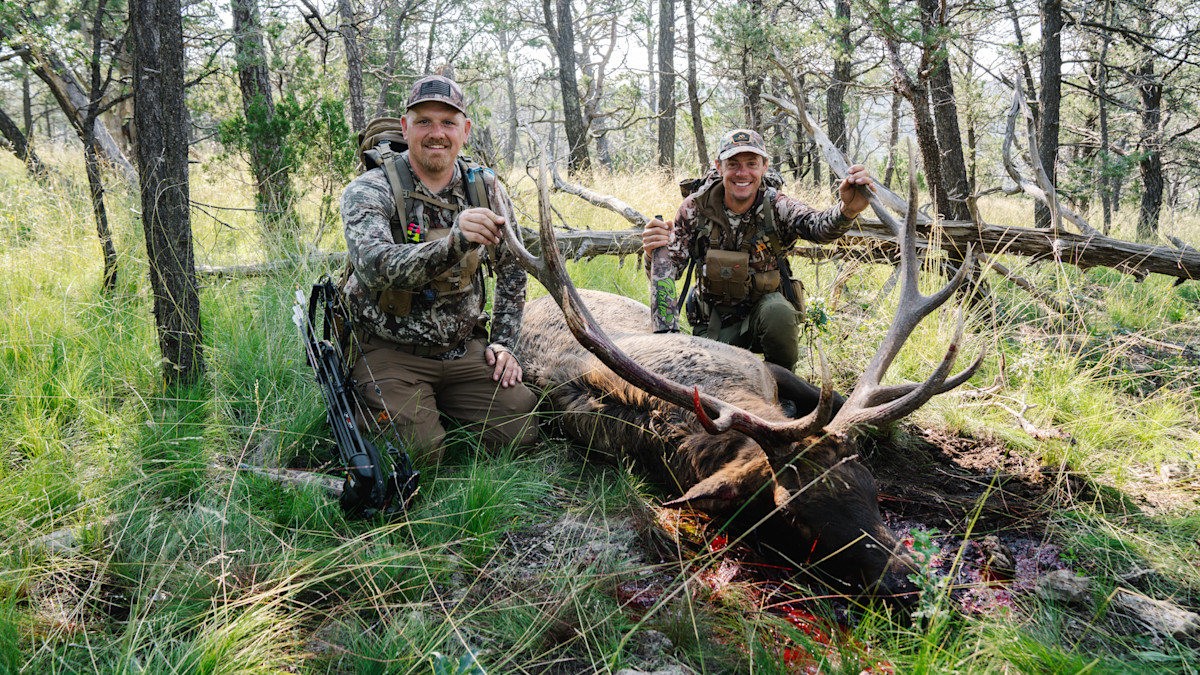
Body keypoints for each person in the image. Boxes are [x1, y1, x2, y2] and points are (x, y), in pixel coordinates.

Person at [340, 74, 537, 468]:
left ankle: (433, 407)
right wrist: (454, 242)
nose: (436, 134)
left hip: (463, 350)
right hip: (390, 350)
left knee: (522, 425)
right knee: (418, 454)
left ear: (464, 130)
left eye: (448, 123)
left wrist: (503, 344)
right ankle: (408, 411)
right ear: (404, 127)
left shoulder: (485, 188)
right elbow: (375, 267)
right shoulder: (370, 189)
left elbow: (514, 269)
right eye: (424, 122)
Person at [642, 129, 875, 371]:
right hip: (713, 323)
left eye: (751, 163)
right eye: (733, 164)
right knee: (715, 383)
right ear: (719, 167)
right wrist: (653, 253)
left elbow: (817, 227)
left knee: (779, 312)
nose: (742, 173)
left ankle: (785, 391)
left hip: (766, 319)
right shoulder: (694, 209)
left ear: (764, 167)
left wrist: (847, 210)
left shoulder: (777, 205)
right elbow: (672, 270)